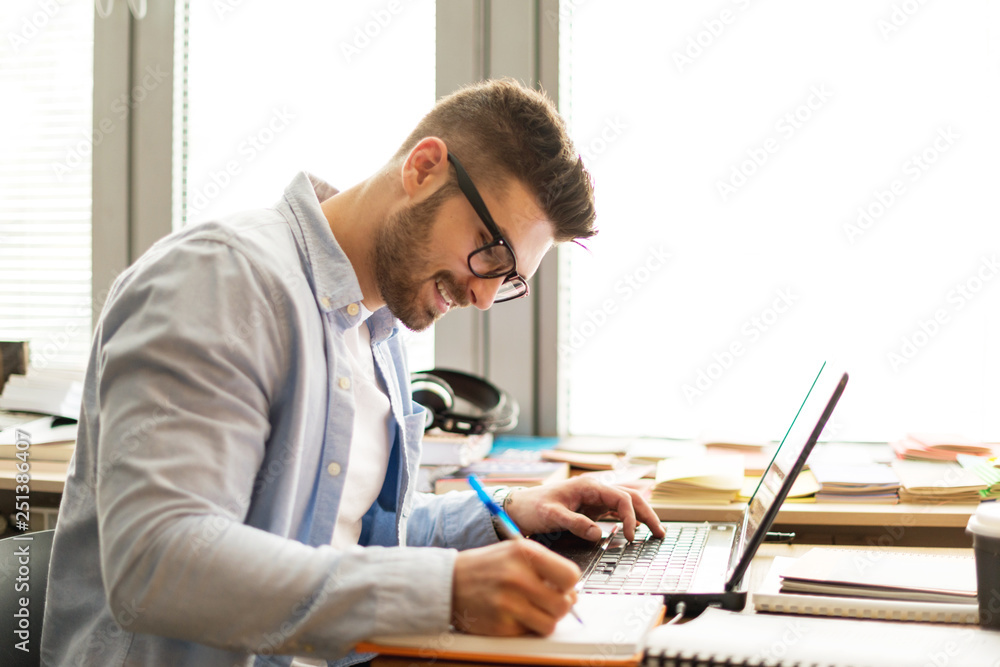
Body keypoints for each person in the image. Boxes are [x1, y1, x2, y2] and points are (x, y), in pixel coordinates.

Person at [40, 78, 664, 666]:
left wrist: (511, 511)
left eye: (509, 279)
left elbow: (348, 536)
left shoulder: (377, 328)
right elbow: (158, 567)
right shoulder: (222, 282)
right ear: (423, 169)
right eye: (490, 252)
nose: (481, 297)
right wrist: (441, 590)